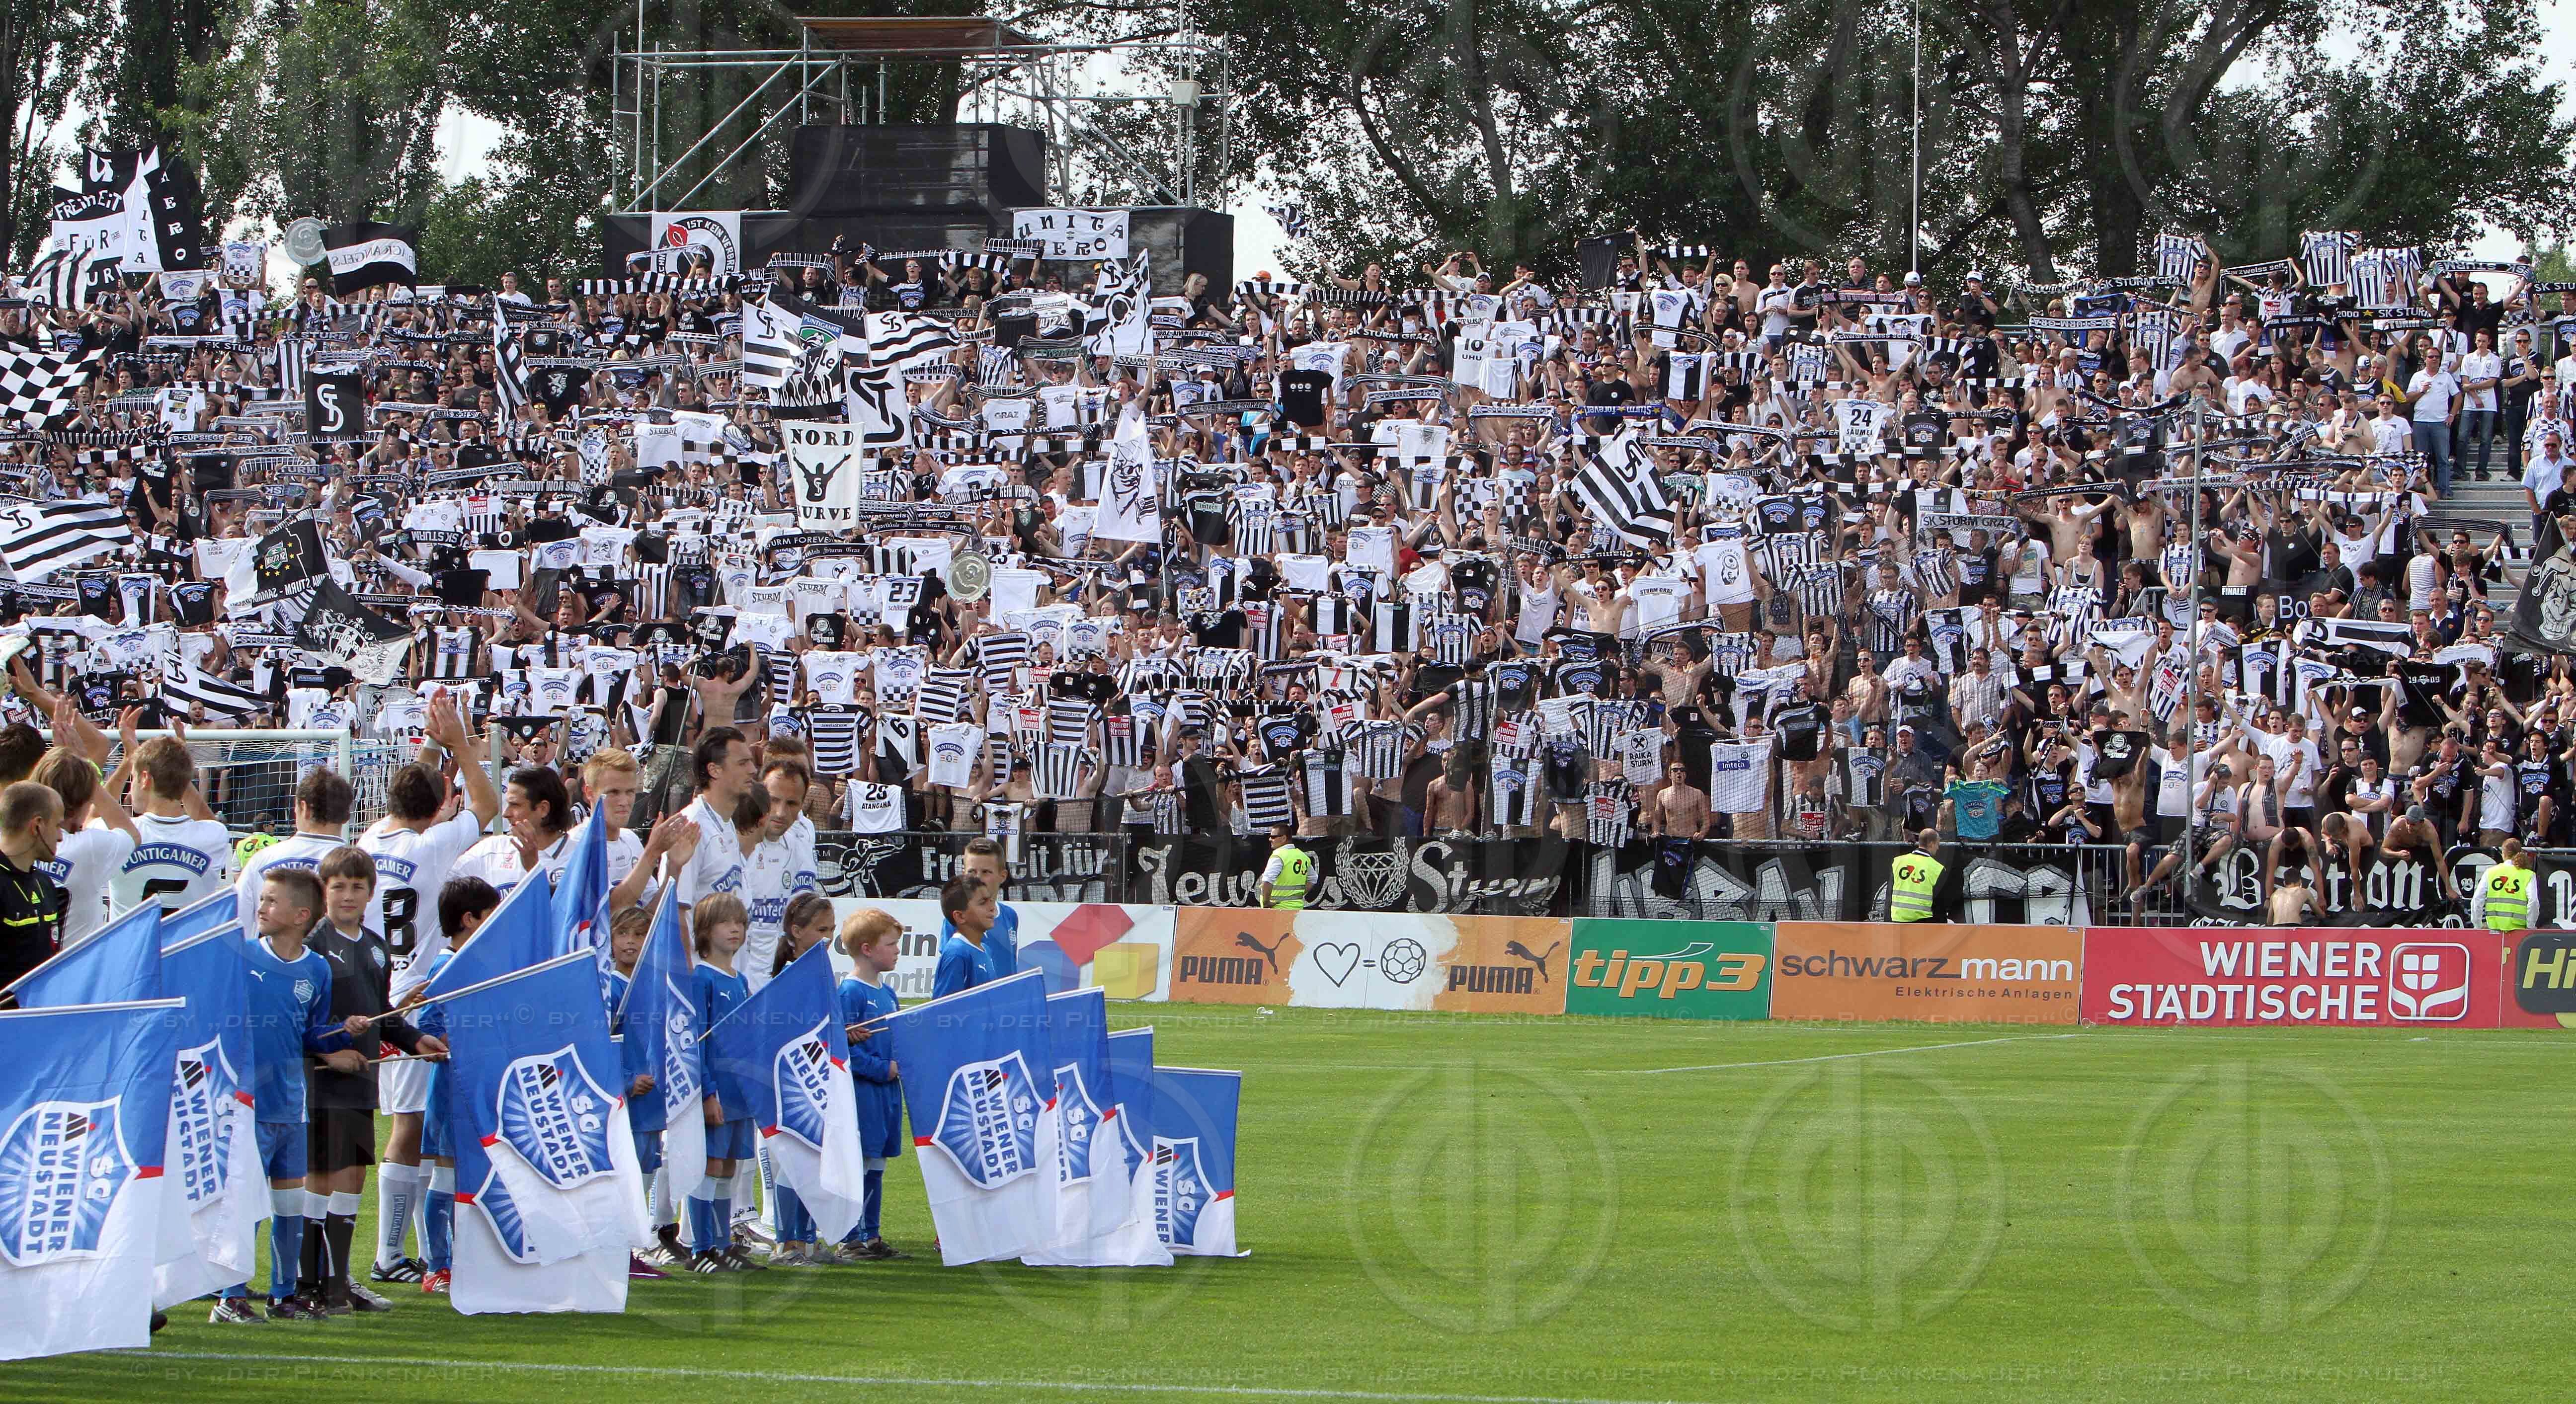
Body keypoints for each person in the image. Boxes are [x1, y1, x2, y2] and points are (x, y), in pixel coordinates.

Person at [356, 695, 499, 1284]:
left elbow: (415, 788)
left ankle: (406, 1251)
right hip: (414, 996)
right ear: (441, 803)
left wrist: (435, 746)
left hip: (373, 992)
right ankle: (392, 1254)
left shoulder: (365, 842)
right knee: (411, 1126)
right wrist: (461, 745)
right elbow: (486, 804)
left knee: (406, 1123)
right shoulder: (434, 844)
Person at [209, 868, 368, 1324]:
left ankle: (282, 1296)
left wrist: (340, 1036)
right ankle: (230, 1296)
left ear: (301, 916)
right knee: (246, 1204)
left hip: (291, 1104)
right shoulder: (241, 958)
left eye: (272, 901)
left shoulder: (317, 970)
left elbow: (311, 1033)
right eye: (262, 900)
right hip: (248, 1105)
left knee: (288, 1206)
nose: (261, 908)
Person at [302, 845, 443, 1314]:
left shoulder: (376, 947)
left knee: (351, 1181)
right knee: (319, 1180)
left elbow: (382, 1015)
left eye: (356, 887)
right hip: (321, 1080)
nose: (347, 895)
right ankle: (311, 1281)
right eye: (338, 886)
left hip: (362, 1081)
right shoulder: (311, 945)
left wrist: (417, 1038)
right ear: (323, 891)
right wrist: (333, 1041)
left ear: (371, 893)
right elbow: (299, 1020)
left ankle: (340, 1281)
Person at [404, 875, 503, 1296]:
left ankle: (468, 1259)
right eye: (492, 917)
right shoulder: (448, 967)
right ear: (469, 919)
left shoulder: (479, 965)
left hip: (479, 1088)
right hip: (452, 1090)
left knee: (475, 1178)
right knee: (445, 1179)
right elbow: (431, 1030)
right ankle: (438, 1266)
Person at [685, 891, 764, 1274]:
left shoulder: (741, 979)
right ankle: (701, 1249)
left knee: (729, 1166)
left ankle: (721, 1243)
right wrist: (707, 1090)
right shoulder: (701, 979)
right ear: (704, 930)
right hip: (716, 1090)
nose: (736, 930)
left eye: (741, 923)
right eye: (726, 923)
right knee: (711, 1164)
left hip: (739, 1091)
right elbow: (696, 1040)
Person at [762, 892, 839, 1265]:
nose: (829, 938)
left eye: (833, 930)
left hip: (819, 1083)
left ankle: (808, 1240)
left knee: (814, 1162)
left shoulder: (822, 976)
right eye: (821, 930)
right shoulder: (788, 979)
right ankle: (787, 1242)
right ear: (797, 931)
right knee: (791, 1163)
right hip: (794, 1087)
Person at [835, 907, 907, 1261]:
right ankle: (850, 1238)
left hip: (888, 1094)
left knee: (877, 1162)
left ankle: (872, 1234)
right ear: (867, 949)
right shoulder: (851, 993)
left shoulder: (888, 993)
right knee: (859, 1162)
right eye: (891, 944)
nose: (897, 951)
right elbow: (841, 1050)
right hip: (864, 1092)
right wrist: (883, 1069)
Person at [109, 733, 235, 915]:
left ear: (145, 779)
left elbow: (94, 814)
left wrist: (128, 760)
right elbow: (206, 819)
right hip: (186, 943)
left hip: (132, 944)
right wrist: (178, 770)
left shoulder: (119, 834)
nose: (131, 789)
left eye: (133, 778)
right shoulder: (213, 835)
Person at [233, 768, 359, 935]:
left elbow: (237, 922)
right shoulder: (360, 867)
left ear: (304, 808)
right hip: (337, 959)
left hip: (270, 959)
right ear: (346, 815)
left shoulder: (262, 859)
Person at [451, 764, 577, 895]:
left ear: (543, 809)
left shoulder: (579, 856)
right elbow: (441, 882)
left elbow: (565, 911)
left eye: (514, 805)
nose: (505, 813)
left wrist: (533, 869)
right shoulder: (492, 850)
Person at [0, 781, 67, 991]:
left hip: (37, 1019)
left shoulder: (44, 884)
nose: (60, 836)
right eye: (57, 825)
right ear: (37, 826)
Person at [943, 835, 1020, 976]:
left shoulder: (1010, 916)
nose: (978, 878)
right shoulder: (960, 917)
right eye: (972, 872)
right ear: (964, 874)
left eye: (986, 872)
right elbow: (952, 967)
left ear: (1002, 876)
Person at [932, 875, 1000, 998]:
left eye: (991, 901)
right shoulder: (957, 954)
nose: (992, 908)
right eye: (983, 903)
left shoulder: (986, 950)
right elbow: (943, 1010)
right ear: (960, 916)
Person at [2475, 837, 2533, 932]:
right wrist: (2531, 926)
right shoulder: (2529, 875)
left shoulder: (2490, 872)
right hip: (2519, 930)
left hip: (2494, 929)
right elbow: (2534, 902)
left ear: (2503, 854)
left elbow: (2477, 900)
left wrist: (2477, 925)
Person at [1890, 828, 1943, 922]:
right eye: (1937, 844)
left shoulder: (1898, 861)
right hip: (1923, 920)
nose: (1938, 848)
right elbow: (1939, 902)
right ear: (1931, 844)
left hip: (1898, 918)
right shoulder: (1937, 868)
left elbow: (1890, 892)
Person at [1258, 827, 1313, 909]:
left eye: (1273, 837)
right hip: (1297, 910)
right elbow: (1313, 879)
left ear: (1284, 838)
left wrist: (1266, 903)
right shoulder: (1303, 856)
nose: (1270, 839)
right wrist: (1296, 895)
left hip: (1277, 911)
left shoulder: (1278, 856)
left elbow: (1267, 880)